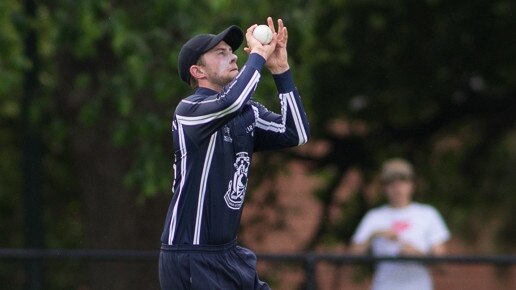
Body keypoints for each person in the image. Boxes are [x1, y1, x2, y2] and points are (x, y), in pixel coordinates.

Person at [159, 17, 310, 290]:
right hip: (192, 256)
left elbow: (296, 132)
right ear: (197, 71)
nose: (232, 57)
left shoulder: (245, 111)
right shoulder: (189, 111)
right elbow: (230, 102)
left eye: (231, 52)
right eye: (220, 53)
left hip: (230, 255)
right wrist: (259, 59)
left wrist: (281, 69)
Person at [350, 158, 450, 290]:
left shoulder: (428, 214)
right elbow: (352, 257)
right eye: (391, 182)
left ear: (412, 184)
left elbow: (443, 264)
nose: (397, 187)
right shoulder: (373, 217)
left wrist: (418, 255)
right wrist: (374, 235)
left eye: (402, 180)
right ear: (384, 187)